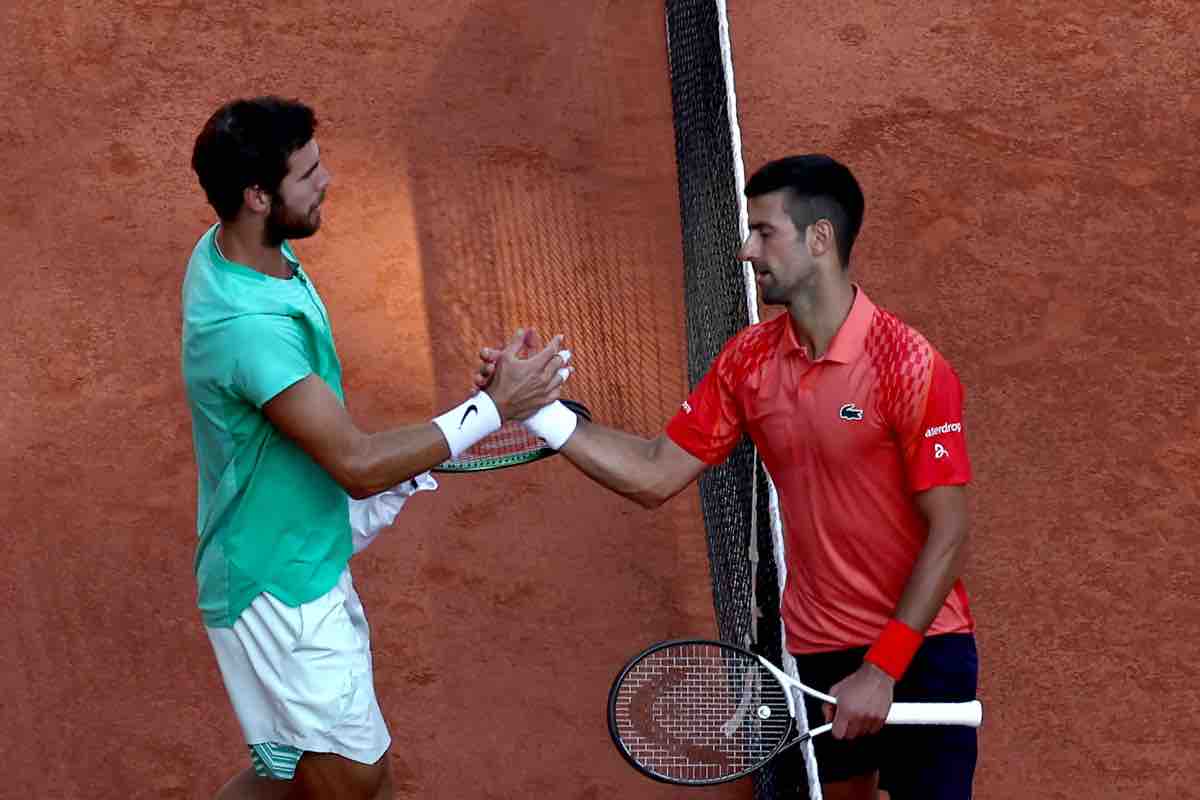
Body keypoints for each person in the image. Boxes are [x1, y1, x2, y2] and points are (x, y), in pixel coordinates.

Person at [477, 154, 978, 800]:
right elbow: (656, 472)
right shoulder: (749, 363)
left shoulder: (909, 367)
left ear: (819, 239)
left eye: (765, 232)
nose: (746, 250)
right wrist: (540, 415)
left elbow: (950, 531)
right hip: (819, 654)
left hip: (921, 648)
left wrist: (883, 669)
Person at [182, 95, 568, 800]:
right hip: (276, 583)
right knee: (352, 779)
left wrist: (462, 421)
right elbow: (357, 466)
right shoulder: (247, 327)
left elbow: (326, 438)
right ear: (258, 196)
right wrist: (493, 408)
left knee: (326, 776)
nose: (326, 180)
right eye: (308, 173)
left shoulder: (243, 253)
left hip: (299, 540)